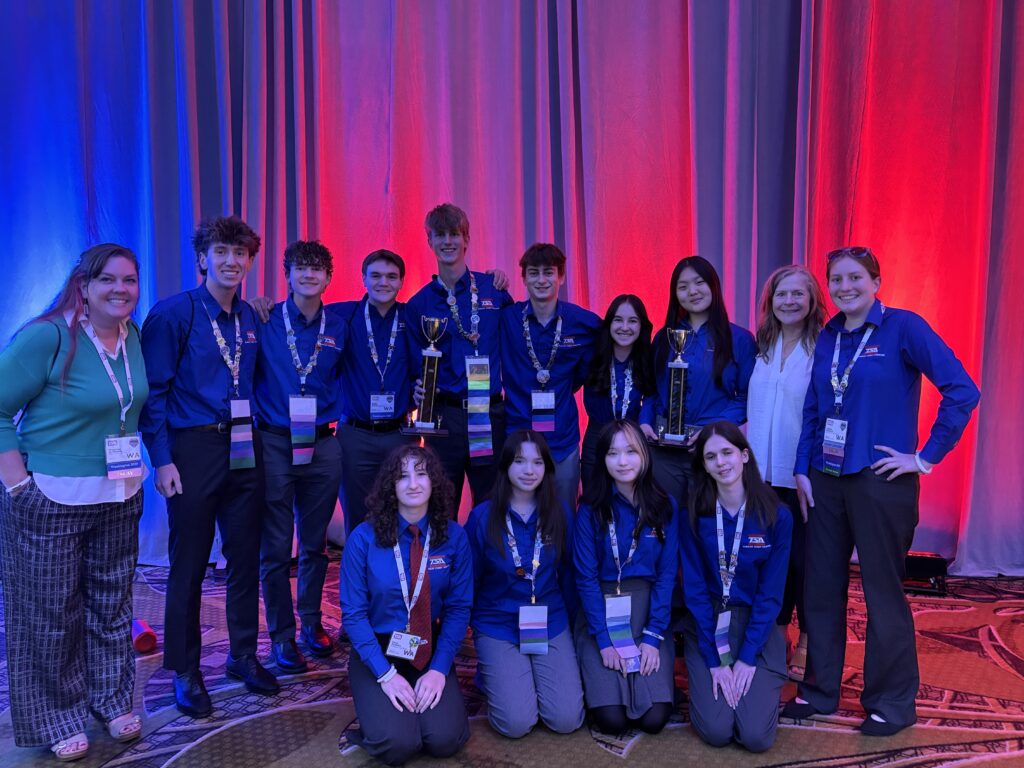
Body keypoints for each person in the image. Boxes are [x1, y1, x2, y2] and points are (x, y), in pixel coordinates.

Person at [783, 246, 980, 736]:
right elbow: (814, 408)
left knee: (882, 591)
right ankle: (820, 690)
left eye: (855, 277)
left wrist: (924, 458)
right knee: (820, 589)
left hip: (881, 482)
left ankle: (890, 702)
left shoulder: (904, 327)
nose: (845, 287)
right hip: (825, 481)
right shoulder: (828, 335)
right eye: (836, 279)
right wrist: (802, 468)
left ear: (876, 281)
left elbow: (962, 391)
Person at [0, 244, 148, 761]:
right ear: (83, 284)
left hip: (120, 494)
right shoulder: (49, 336)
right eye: (108, 279)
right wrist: (17, 485)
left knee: (112, 607)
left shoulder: (132, 335)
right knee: (51, 614)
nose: (120, 290)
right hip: (52, 498)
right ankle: (58, 716)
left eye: (129, 280)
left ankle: (111, 701)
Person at [141, 215, 278, 718]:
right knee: (190, 563)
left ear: (250, 261)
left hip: (244, 445)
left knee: (245, 557)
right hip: (192, 449)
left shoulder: (252, 317)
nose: (231, 261)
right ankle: (185, 670)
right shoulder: (173, 314)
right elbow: (153, 395)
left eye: (240, 253)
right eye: (221, 252)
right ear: (203, 259)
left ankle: (242, 655)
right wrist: (161, 460)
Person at [339, 445, 472, 765]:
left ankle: (416, 709)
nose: (413, 483)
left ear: (434, 481)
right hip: (378, 648)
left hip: (428, 646)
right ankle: (381, 716)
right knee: (398, 744)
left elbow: (458, 609)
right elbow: (353, 615)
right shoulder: (363, 538)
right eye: (402, 476)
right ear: (390, 486)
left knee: (445, 739)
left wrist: (439, 669)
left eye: (421, 474)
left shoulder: (454, 537)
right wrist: (385, 675)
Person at [253, 240, 346, 672]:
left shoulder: (340, 325)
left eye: (317, 269)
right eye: (300, 268)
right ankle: (281, 635)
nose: (309, 275)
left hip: (324, 444)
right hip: (274, 442)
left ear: (328, 278)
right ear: (287, 274)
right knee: (275, 545)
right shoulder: (263, 319)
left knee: (314, 543)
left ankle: (311, 622)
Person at [680, 421, 792, 752]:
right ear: (704, 465)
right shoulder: (694, 514)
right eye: (710, 456)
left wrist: (746, 658)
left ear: (744, 455)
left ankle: (757, 682)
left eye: (727, 452)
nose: (721, 462)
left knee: (755, 736)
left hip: (757, 622)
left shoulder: (776, 516)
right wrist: (714, 660)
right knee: (716, 731)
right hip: (709, 620)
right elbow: (695, 591)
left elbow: (771, 595)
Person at [465, 430, 585, 738]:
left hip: (548, 620)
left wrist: (570, 629)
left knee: (566, 719)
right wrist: (475, 629)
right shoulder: (482, 517)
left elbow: (568, 575)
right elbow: (469, 582)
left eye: (537, 462)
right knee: (516, 723)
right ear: (506, 465)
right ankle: (493, 669)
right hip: (497, 623)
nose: (529, 470)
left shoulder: (560, 513)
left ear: (547, 468)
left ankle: (519, 672)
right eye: (519, 461)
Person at [405, 203, 513, 509]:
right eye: (440, 235)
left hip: (488, 414)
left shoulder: (494, 290)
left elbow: (517, 342)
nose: (447, 241)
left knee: (491, 506)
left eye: (454, 234)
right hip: (445, 417)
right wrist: (416, 389)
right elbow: (415, 367)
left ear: (466, 239)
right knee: (442, 505)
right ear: (429, 241)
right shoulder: (418, 304)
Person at [574, 419, 678, 735]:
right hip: (600, 611)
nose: (622, 462)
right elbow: (586, 578)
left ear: (644, 454)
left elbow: (666, 575)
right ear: (602, 459)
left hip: (648, 612)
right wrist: (604, 641)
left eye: (631, 451)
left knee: (654, 719)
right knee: (612, 720)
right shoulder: (589, 508)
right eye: (613, 453)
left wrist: (653, 636)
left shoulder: (665, 505)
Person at [746, 266, 826, 679]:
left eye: (798, 294)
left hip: (803, 474)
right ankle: (777, 633)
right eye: (782, 294)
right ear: (770, 300)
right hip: (759, 474)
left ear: (812, 301)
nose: (789, 301)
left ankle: (809, 638)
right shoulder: (760, 345)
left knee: (804, 562)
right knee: (769, 559)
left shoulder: (824, 347)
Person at [640, 256, 756, 509]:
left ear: (713, 285)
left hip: (712, 451)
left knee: (706, 521)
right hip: (664, 454)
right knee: (666, 518)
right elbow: (652, 391)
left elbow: (746, 397)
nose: (692, 291)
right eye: (683, 286)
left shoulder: (740, 339)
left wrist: (711, 429)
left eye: (699, 282)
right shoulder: (663, 338)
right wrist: (645, 422)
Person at [500, 243, 600, 512]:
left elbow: (591, 366)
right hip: (518, 436)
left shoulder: (584, 323)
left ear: (561, 277)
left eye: (549, 272)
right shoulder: (507, 318)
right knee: (520, 516)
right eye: (534, 273)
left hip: (562, 440)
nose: (541, 280)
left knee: (564, 516)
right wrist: (492, 278)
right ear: (523, 278)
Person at [336, 249, 416, 536]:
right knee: (358, 520)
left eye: (392, 276)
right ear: (363, 278)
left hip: (399, 435)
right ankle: (358, 567)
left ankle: (399, 567)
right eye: (376, 276)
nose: (384, 282)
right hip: (355, 437)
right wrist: (263, 304)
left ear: (402, 281)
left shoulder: (412, 318)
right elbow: (301, 311)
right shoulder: (342, 315)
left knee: (402, 515)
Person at [582, 294, 656, 484]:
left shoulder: (648, 358)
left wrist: (645, 422)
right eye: (618, 320)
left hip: (633, 438)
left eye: (632, 321)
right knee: (594, 495)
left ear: (641, 326)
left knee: (631, 494)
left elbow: (651, 395)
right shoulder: (591, 356)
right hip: (596, 437)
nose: (624, 327)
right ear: (608, 324)